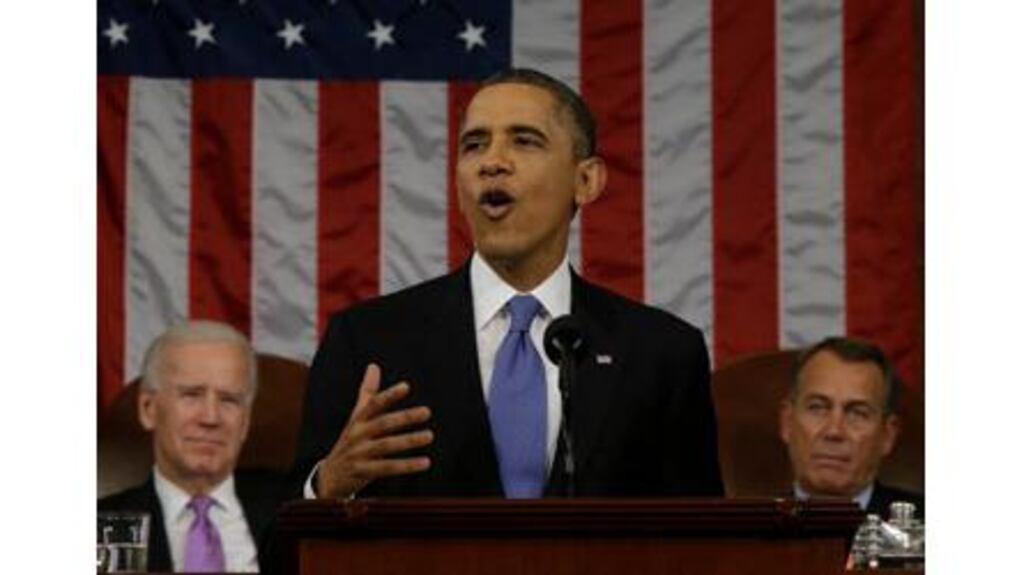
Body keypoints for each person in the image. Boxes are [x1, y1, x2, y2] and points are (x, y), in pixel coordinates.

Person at [293, 68, 723, 500]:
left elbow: (705, 552)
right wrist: (328, 486)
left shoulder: (662, 354)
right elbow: (280, 548)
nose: (491, 161)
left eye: (524, 140)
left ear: (586, 181)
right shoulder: (368, 341)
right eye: (475, 144)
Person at [99, 321, 284, 572]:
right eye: (191, 395)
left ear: (246, 421)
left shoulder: (291, 516)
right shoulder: (98, 530)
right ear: (148, 409)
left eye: (229, 400)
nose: (210, 417)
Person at [779, 336, 924, 518]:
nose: (834, 431)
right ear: (787, 422)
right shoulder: (744, 536)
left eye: (857, 413)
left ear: (887, 436)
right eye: (817, 408)